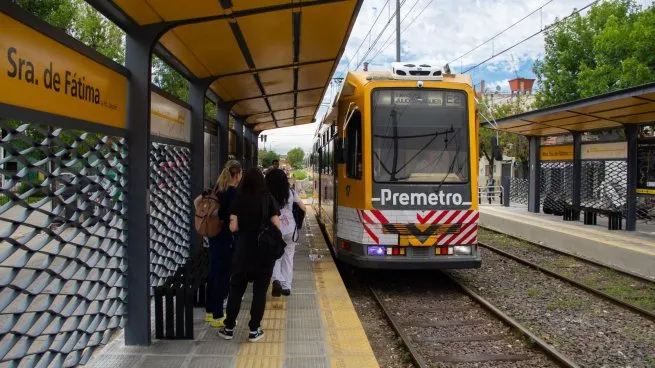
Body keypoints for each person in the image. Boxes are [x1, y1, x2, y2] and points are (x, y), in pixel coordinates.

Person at [218, 168, 281, 342]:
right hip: (263, 253)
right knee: (259, 291)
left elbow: (233, 227)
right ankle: (254, 330)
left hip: (243, 250)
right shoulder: (268, 198)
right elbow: (277, 224)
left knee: (236, 289)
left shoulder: (239, 198)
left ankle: (229, 328)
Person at [205, 160, 242, 327]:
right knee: (223, 276)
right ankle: (218, 315)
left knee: (214, 272)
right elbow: (231, 216)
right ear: (237, 175)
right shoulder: (232, 193)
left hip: (214, 237)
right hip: (226, 238)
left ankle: (210, 311)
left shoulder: (216, 188)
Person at [265, 169, 306, 296]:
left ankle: (277, 279)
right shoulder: (290, 192)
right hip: (290, 229)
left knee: (275, 257)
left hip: (275, 228)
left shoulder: (267, 193)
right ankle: (286, 286)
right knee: (288, 256)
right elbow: (303, 207)